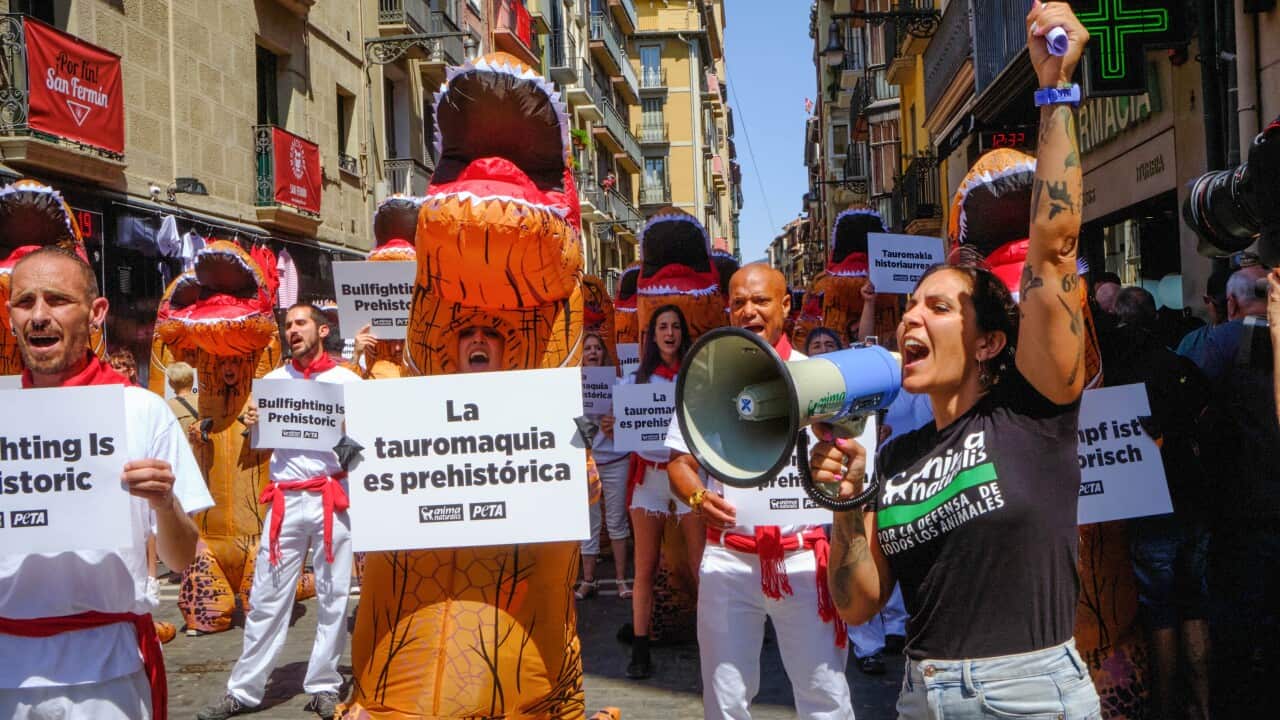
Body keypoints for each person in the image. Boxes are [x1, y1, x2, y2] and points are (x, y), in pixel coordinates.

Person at [812, 5, 1100, 718]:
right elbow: (858, 603)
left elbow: (1055, 242)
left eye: (938, 307)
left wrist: (1056, 91)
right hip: (923, 694)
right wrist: (848, 506)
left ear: (989, 341)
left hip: (1030, 695)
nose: (912, 315)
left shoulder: (1035, 412)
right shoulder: (897, 454)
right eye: (911, 306)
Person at [0, 245, 210, 720]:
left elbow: (180, 559)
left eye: (57, 300)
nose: (39, 316)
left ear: (96, 313)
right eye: (24, 301)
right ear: (9, 315)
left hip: (107, 669)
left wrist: (164, 503)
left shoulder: (141, 409)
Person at [666, 264, 855, 719]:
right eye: (739, 303)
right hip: (728, 562)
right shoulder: (708, 376)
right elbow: (679, 463)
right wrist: (696, 497)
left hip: (803, 560)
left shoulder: (824, 376)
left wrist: (840, 460)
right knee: (725, 700)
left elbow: (854, 461)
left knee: (825, 696)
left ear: (786, 305)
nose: (749, 311)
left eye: (761, 301)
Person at [199, 303, 361, 720]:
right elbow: (260, 446)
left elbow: (361, 450)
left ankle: (324, 684)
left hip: (331, 499)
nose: (292, 331)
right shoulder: (272, 382)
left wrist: (338, 433)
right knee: (267, 597)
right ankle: (244, 690)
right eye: (287, 325)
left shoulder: (347, 381)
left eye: (301, 323)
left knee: (333, 596)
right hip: (286, 500)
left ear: (322, 330)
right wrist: (253, 422)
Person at [1102, 286, 1212, 720]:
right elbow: (1205, 407)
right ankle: (1202, 707)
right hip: (1192, 501)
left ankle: (1166, 707)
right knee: (1195, 604)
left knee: (1161, 611)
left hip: (1150, 506)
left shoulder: (1117, 372)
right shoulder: (1178, 363)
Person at [1178, 263, 1280, 718]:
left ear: (1232, 302)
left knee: (1239, 631)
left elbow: (1177, 407)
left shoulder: (1218, 344)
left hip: (1241, 510)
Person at [611, 304, 704, 679]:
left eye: (675, 326)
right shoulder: (632, 381)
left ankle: (713, 642)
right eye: (663, 326)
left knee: (702, 567)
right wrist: (609, 423)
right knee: (644, 568)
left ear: (682, 333)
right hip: (648, 480)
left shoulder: (697, 377)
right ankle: (640, 648)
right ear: (652, 335)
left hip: (688, 478)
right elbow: (617, 429)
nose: (669, 332)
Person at [577, 332, 632, 601]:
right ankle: (589, 581)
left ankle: (622, 580)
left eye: (598, 347)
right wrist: (588, 423)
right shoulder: (574, 388)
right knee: (588, 523)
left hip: (617, 461)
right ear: (582, 356)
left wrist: (616, 428)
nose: (593, 352)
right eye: (587, 348)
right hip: (588, 461)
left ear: (604, 353)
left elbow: (636, 425)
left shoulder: (621, 385)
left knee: (616, 521)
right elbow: (568, 430)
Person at [165, 361, 199, 437]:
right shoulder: (203, 403)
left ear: (171, 383)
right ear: (192, 380)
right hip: (200, 448)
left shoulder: (167, 407)